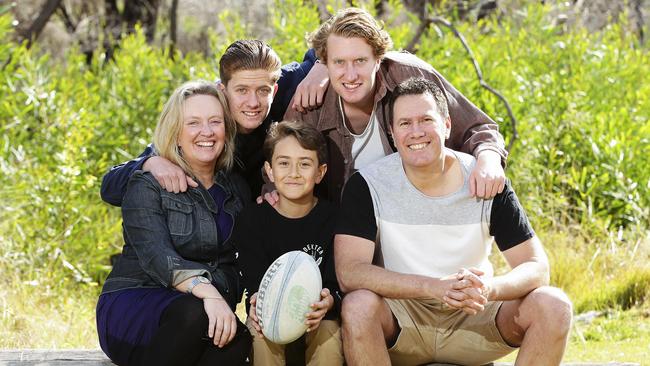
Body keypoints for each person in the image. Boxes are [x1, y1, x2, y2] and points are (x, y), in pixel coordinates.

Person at [334, 77, 572, 365]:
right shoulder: (369, 185)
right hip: (405, 320)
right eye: (405, 123)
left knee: (554, 305)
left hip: (475, 315)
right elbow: (350, 273)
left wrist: (489, 288)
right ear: (392, 133)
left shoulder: (483, 178)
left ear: (447, 125)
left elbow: (536, 267)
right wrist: (431, 287)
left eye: (426, 120)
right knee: (358, 307)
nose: (416, 132)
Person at [96, 80, 251, 366]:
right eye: (193, 123)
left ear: (226, 131)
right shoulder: (148, 182)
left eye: (215, 121)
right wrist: (210, 295)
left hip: (205, 311)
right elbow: (157, 256)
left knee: (235, 346)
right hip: (137, 303)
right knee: (195, 315)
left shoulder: (236, 189)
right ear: (175, 133)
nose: (206, 132)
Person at [285, 7, 507, 202]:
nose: (350, 75)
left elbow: (477, 128)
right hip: (345, 226)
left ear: (378, 59)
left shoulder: (410, 75)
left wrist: (489, 160)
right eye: (339, 62)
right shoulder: (310, 100)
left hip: (415, 212)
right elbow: (278, 169)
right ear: (325, 63)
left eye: (360, 61)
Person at [100, 40, 329, 206]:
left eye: (262, 91)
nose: (253, 102)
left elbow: (340, 35)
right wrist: (150, 164)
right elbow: (110, 187)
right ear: (223, 89)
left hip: (261, 221)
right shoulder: (203, 118)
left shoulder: (275, 83)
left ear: (274, 89)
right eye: (241, 91)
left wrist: (321, 64)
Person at [232, 120, 343, 366]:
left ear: (320, 172)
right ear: (269, 171)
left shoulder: (335, 219)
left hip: (319, 316)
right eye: (284, 163)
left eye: (304, 164)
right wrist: (255, 304)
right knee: (260, 333)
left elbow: (337, 284)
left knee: (328, 335)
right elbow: (254, 284)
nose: (293, 173)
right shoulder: (251, 220)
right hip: (270, 312)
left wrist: (330, 301)